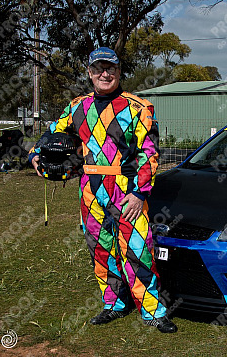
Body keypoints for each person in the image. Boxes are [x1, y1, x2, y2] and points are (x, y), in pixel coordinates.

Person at [29, 47, 177, 333]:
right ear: (89, 73)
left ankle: (153, 312)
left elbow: (150, 153)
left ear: (120, 72)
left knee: (137, 250)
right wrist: (36, 153)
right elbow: (53, 132)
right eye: (98, 69)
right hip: (90, 191)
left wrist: (139, 193)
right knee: (100, 251)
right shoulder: (77, 107)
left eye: (110, 68)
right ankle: (114, 305)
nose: (104, 74)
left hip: (127, 190)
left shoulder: (138, 108)